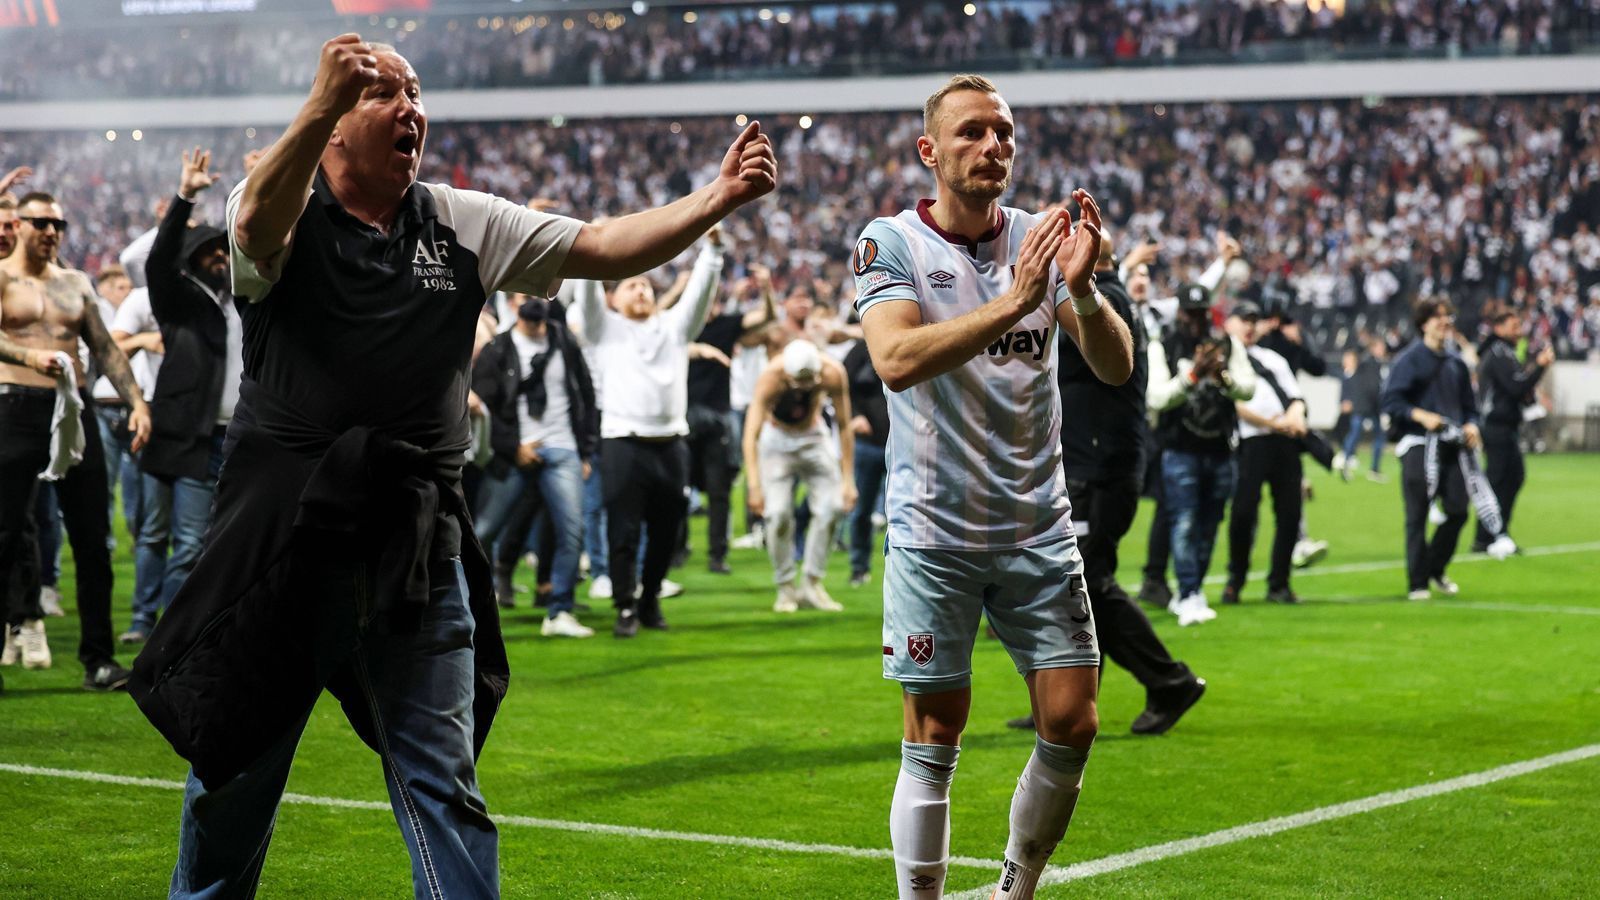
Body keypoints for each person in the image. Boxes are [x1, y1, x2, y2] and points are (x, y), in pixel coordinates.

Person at [125, 35, 774, 898]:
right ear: (331, 127)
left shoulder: (460, 219)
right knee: (234, 781)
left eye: (415, 92)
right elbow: (249, 224)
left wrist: (718, 197)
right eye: (377, 93)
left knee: (445, 790)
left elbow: (605, 245)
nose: (409, 109)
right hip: (283, 550)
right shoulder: (280, 203)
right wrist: (318, 104)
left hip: (413, 548)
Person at [854, 74, 1133, 900]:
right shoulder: (891, 240)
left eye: (1004, 133)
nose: (993, 147)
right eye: (972, 132)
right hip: (933, 531)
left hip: (1037, 526)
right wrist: (1017, 299)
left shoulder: (1042, 240)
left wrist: (1079, 289)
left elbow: (1114, 368)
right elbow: (895, 361)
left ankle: (1014, 889)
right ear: (929, 151)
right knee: (935, 733)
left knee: (1073, 721)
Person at [1012, 232, 1206, 736]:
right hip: (1095, 464)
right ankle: (1063, 700)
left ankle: (1169, 681)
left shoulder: (1102, 300)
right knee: (1076, 584)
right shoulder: (1108, 295)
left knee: (1089, 583)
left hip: (1099, 469)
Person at [0, 191, 151, 689]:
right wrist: (26, 357)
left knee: (93, 541)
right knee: (3, 536)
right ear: (18, 224)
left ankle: (99, 660)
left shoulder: (76, 282)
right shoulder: (2, 277)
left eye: (59, 224)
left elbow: (104, 348)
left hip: (73, 410)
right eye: (41, 222)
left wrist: (137, 403)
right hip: (15, 406)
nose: (52, 232)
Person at [571, 227, 726, 638]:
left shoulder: (674, 329)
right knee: (623, 530)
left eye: (646, 285)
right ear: (614, 299)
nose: (640, 290)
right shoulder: (604, 329)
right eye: (631, 285)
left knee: (667, 534)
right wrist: (589, 244)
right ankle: (625, 605)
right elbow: (585, 291)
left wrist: (712, 250)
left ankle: (650, 598)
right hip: (622, 442)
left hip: (672, 444)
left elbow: (699, 296)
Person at [131, 147, 244, 645]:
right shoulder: (179, 302)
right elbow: (157, 262)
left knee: (211, 546)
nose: (220, 256)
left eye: (223, 250)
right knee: (176, 543)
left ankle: (185, 637)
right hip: (188, 437)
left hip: (235, 439)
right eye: (209, 251)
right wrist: (185, 199)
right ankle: (162, 639)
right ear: (191, 259)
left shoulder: (246, 297)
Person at [470, 292, 599, 638]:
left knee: (572, 532)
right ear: (512, 303)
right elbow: (484, 406)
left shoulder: (564, 341)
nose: (535, 301)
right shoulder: (498, 349)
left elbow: (586, 395)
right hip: (515, 453)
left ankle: (559, 611)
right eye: (526, 295)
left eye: (539, 294)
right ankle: (463, 609)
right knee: (483, 532)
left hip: (563, 448)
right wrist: (513, 447)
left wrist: (585, 451)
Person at [1146, 283, 1256, 626]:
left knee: (1210, 523)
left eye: (1201, 313)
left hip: (1220, 448)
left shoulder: (1228, 343)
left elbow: (1248, 388)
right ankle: (1189, 592)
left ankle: (1192, 591)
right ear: (1180, 313)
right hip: (1180, 449)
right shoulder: (1163, 345)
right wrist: (1193, 375)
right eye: (1190, 313)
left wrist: (1222, 377)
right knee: (1185, 521)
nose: (1195, 319)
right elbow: (1157, 398)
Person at [742, 339, 856, 612]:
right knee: (777, 514)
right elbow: (751, 435)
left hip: (814, 437)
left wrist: (848, 480)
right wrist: (754, 485)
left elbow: (843, 425)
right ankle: (785, 587)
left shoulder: (832, 372)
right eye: (799, 382)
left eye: (810, 382)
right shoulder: (771, 377)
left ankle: (812, 583)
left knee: (832, 507)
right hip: (777, 441)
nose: (805, 387)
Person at [1381, 298, 1480, 601]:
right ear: (1424, 323)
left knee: (1458, 510)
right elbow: (1391, 402)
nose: (1445, 322)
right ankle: (1417, 582)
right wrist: (1421, 416)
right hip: (1418, 444)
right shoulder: (1408, 360)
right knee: (1417, 514)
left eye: (1448, 316)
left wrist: (1472, 425)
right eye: (1438, 317)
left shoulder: (1456, 363)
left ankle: (1434, 567)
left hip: (1451, 446)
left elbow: (1469, 406)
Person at [685, 264, 776, 574]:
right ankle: (675, 549)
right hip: (682, 418)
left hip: (717, 417)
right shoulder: (680, 326)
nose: (711, 306)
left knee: (719, 490)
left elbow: (765, 318)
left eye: (713, 300)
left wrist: (766, 289)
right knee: (677, 490)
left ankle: (716, 555)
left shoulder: (726, 325)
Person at [1224, 302, 1307, 605]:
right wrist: (1275, 422)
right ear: (1229, 323)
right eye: (1243, 319)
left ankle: (1279, 583)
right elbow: (1234, 405)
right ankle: (1236, 579)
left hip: (1282, 442)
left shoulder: (1273, 359)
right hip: (1251, 442)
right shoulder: (1224, 358)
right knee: (1243, 513)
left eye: (1253, 320)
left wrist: (1296, 416)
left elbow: (1296, 396)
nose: (1249, 326)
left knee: (1290, 513)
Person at [1473, 309, 1552, 553]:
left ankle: (1495, 533)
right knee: (1499, 481)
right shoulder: (1498, 353)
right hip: (1496, 426)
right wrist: (1539, 367)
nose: (1519, 331)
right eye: (1514, 326)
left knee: (1512, 478)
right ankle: (1489, 537)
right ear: (1499, 328)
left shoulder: (1506, 353)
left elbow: (1518, 389)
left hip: (1506, 426)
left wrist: (1532, 397)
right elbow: (1516, 386)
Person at [843, 335, 888, 588]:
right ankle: (859, 567)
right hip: (868, 443)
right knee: (861, 510)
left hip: (903, 443)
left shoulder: (904, 343)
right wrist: (854, 416)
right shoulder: (858, 351)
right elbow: (842, 390)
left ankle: (904, 570)